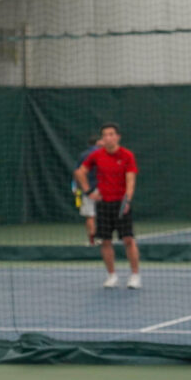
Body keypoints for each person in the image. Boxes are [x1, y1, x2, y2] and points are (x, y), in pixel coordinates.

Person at [74, 123, 141, 289]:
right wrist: (89, 192)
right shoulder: (96, 155)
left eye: (111, 134)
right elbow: (79, 172)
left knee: (128, 239)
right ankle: (112, 276)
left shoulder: (127, 155)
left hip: (121, 203)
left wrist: (128, 199)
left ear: (118, 137)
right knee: (105, 241)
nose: (108, 138)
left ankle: (135, 276)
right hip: (103, 203)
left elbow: (130, 179)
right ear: (102, 139)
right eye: (105, 135)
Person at [73, 134, 100, 245]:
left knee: (90, 216)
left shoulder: (82, 155)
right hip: (101, 188)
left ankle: (92, 240)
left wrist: (75, 187)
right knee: (104, 214)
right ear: (98, 143)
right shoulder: (103, 154)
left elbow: (77, 173)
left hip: (87, 189)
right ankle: (104, 239)